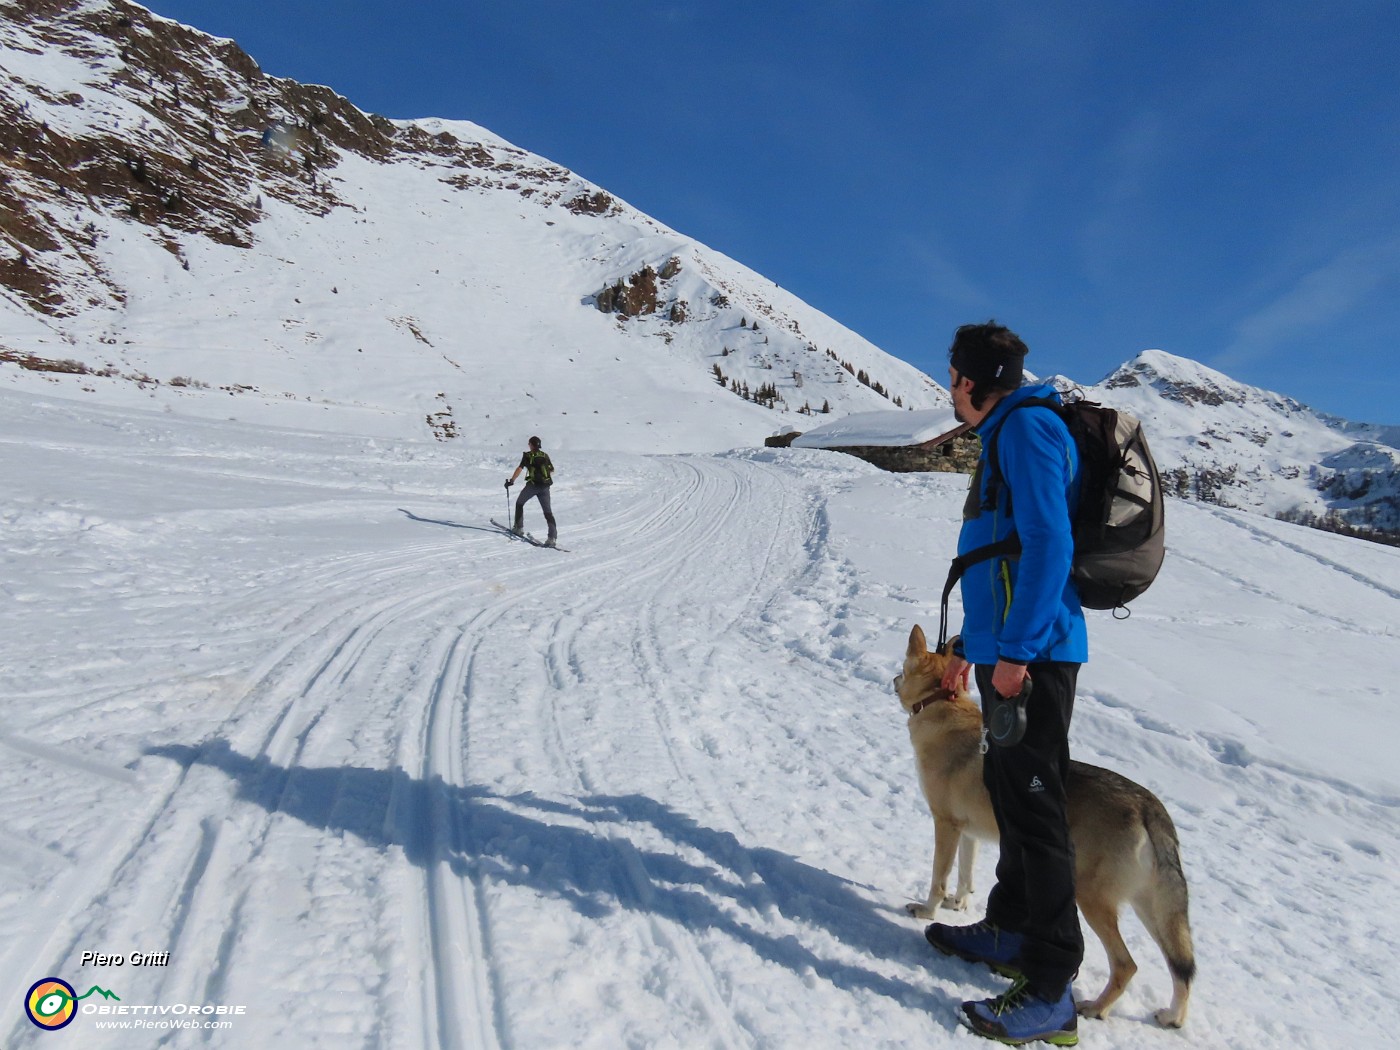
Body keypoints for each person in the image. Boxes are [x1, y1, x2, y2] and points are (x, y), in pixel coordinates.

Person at [926, 321, 1087, 1046]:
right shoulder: (1008, 433)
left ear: (967, 379)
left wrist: (1016, 653)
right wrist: (972, 643)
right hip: (1007, 654)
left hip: (1035, 658)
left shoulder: (1025, 431)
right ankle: (1008, 927)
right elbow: (1005, 557)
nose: (950, 388)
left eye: (952, 376)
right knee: (1012, 799)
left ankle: (1052, 988)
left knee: (1036, 809)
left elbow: (1051, 544)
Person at [506, 436, 558, 546]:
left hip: (533, 486)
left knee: (519, 503)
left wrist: (512, 481)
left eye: (529, 443)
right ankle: (552, 538)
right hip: (545, 486)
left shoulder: (527, 456)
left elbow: (519, 469)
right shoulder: (545, 455)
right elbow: (552, 470)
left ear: (531, 444)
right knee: (548, 512)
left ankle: (518, 528)